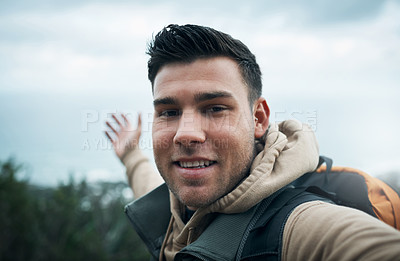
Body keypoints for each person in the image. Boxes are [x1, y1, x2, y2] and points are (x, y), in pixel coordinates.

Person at [105, 24, 400, 261]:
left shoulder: (299, 225)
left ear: (258, 119)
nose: (185, 134)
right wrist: (131, 155)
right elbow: (150, 187)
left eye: (215, 108)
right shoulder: (176, 213)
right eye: (169, 112)